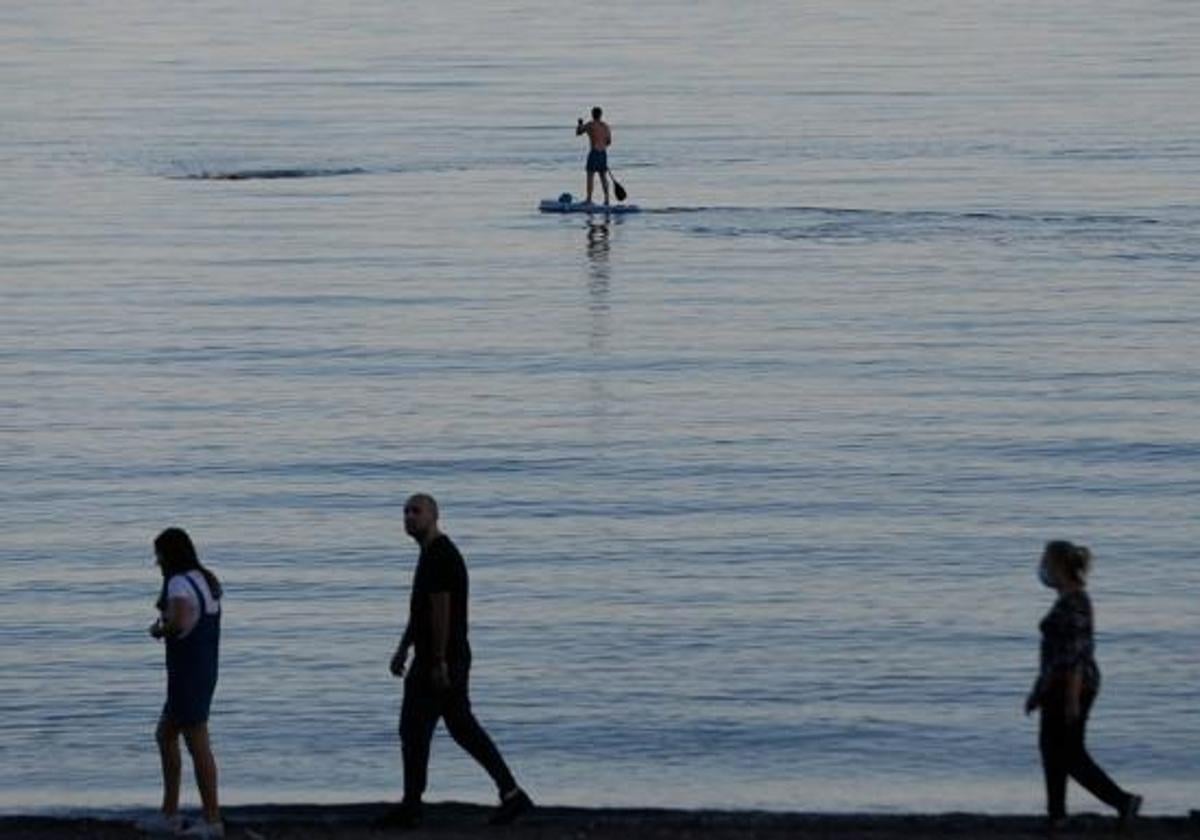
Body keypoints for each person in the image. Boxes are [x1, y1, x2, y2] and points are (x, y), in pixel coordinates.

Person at [381, 493, 533, 828]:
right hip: (441, 656)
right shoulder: (429, 554)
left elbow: (440, 610)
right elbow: (419, 610)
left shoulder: (441, 555)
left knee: (413, 728)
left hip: (442, 658)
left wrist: (437, 662)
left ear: (434, 516)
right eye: (405, 512)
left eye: (415, 511)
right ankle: (512, 794)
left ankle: (411, 807)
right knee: (461, 728)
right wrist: (403, 646)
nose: (408, 517)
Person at [1024, 540, 1141, 832]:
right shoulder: (1067, 600)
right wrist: (1038, 692)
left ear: (1059, 567)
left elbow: (1076, 654)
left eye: (1046, 562)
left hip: (1072, 686)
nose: (1042, 569)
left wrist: (1072, 698)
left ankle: (1122, 801)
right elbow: (1054, 655)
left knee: (1069, 753)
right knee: (1053, 750)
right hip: (1057, 685)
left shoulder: (1076, 603)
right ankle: (1056, 816)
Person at [138, 528, 224, 838]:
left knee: (198, 743)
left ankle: (212, 821)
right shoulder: (205, 579)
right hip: (204, 669)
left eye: (158, 553)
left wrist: (159, 630)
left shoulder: (177, 582)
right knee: (165, 734)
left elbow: (181, 621)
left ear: (168, 554)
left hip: (187, 673)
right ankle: (170, 812)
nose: (156, 560)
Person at [576, 106, 613, 205]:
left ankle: (588, 199)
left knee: (590, 176)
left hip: (594, 152)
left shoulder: (590, 125)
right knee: (603, 177)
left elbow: (579, 132)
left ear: (592, 115)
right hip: (603, 153)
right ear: (601, 115)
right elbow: (609, 142)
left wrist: (579, 124)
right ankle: (606, 199)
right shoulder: (606, 126)